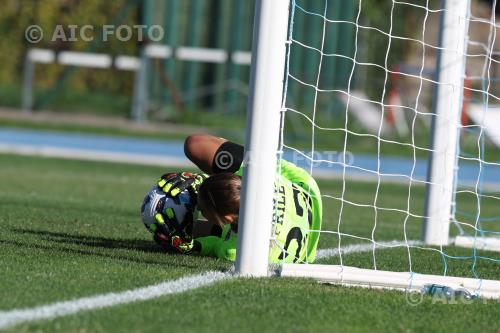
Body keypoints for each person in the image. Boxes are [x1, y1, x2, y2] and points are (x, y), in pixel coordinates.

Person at [155, 134, 322, 264]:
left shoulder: (235, 252)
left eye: (202, 210)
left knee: (186, 230)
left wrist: (188, 245)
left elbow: (210, 245)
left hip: (301, 241)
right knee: (195, 145)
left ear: (228, 218)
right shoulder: (257, 173)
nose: (200, 212)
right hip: (306, 191)